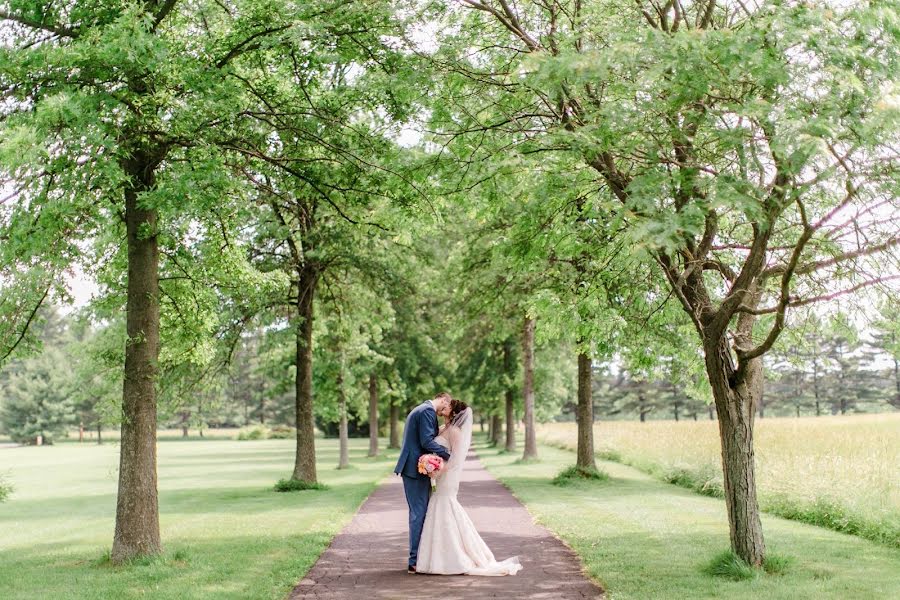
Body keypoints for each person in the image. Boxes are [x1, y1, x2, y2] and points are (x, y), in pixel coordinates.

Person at [416, 399, 523, 576]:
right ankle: (436, 558)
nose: (445, 406)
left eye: (449, 405)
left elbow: (456, 459)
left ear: (454, 412)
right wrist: (429, 463)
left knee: (446, 506)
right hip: (439, 474)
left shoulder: (456, 432)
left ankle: (455, 557)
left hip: (447, 476)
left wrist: (439, 471)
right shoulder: (443, 429)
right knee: (438, 506)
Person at [394, 391, 452, 573]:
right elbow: (426, 441)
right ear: (444, 399)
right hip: (414, 470)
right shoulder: (426, 411)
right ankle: (414, 561)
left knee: (419, 512)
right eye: (445, 408)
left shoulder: (423, 410)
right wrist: (449, 455)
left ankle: (420, 557)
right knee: (418, 513)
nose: (444, 413)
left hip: (415, 468)